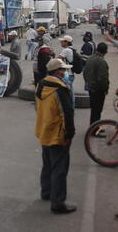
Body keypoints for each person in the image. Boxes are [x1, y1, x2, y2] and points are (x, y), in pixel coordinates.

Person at [35, 58, 76, 214]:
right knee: (59, 168)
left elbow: (37, 109)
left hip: (44, 130)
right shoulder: (60, 89)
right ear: (58, 71)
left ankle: (46, 192)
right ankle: (58, 202)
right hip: (58, 133)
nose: (65, 72)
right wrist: (70, 133)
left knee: (47, 163)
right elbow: (67, 113)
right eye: (63, 70)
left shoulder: (41, 85)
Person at [83, 42, 109, 126]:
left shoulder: (90, 59)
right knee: (97, 110)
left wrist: (88, 82)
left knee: (94, 109)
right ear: (105, 51)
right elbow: (103, 78)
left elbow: (85, 73)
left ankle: (93, 127)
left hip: (91, 88)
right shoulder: (101, 62)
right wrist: (105, 89)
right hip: (98, 90)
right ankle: (95, 128)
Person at [58, 35, 75, 106]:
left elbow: (57, 60)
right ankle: (71, 107)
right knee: (70, 92)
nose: (61, 43)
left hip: (67, 74)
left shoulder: (66, 50)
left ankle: (70, 108)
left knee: (67, 93)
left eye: (62, 41)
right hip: (71, 73)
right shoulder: (72, 49)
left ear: (66, 42)